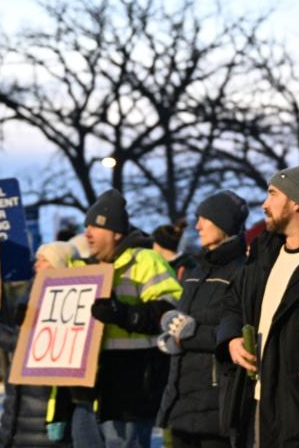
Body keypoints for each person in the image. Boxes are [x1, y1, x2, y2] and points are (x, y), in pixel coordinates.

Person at [216, 165, 299, 447]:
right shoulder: (263, 252)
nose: (264, 204)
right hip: (252, 404)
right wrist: (231, 339)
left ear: (297, 202)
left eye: (273, 194)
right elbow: (233, 303)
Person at [73, 189, 182, 448]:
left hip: (132, 382)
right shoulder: (82, 268)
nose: (87, 233)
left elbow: (170, 311)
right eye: (86, 226)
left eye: (96, 227)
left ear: (116, 233)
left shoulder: (146, 260)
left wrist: (121, 314)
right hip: (88, 386)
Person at [156, 191, 249, 448]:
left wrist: (190, 335)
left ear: (222, 223)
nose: (197, 226)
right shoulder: (195, 272)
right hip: (182, 401)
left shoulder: (243, 271)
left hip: (215, 407)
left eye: (204, 219)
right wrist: (172, 331)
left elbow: (240, 333)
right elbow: (185, 323)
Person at [0, 241, 77, 448]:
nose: (37, 264)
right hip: (21, 396)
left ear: (60, 265)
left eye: (44, 260)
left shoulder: (69, 302)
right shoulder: (30, 294)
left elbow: (34, 346)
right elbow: (23, 343)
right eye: (37, 259)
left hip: (44, 400)